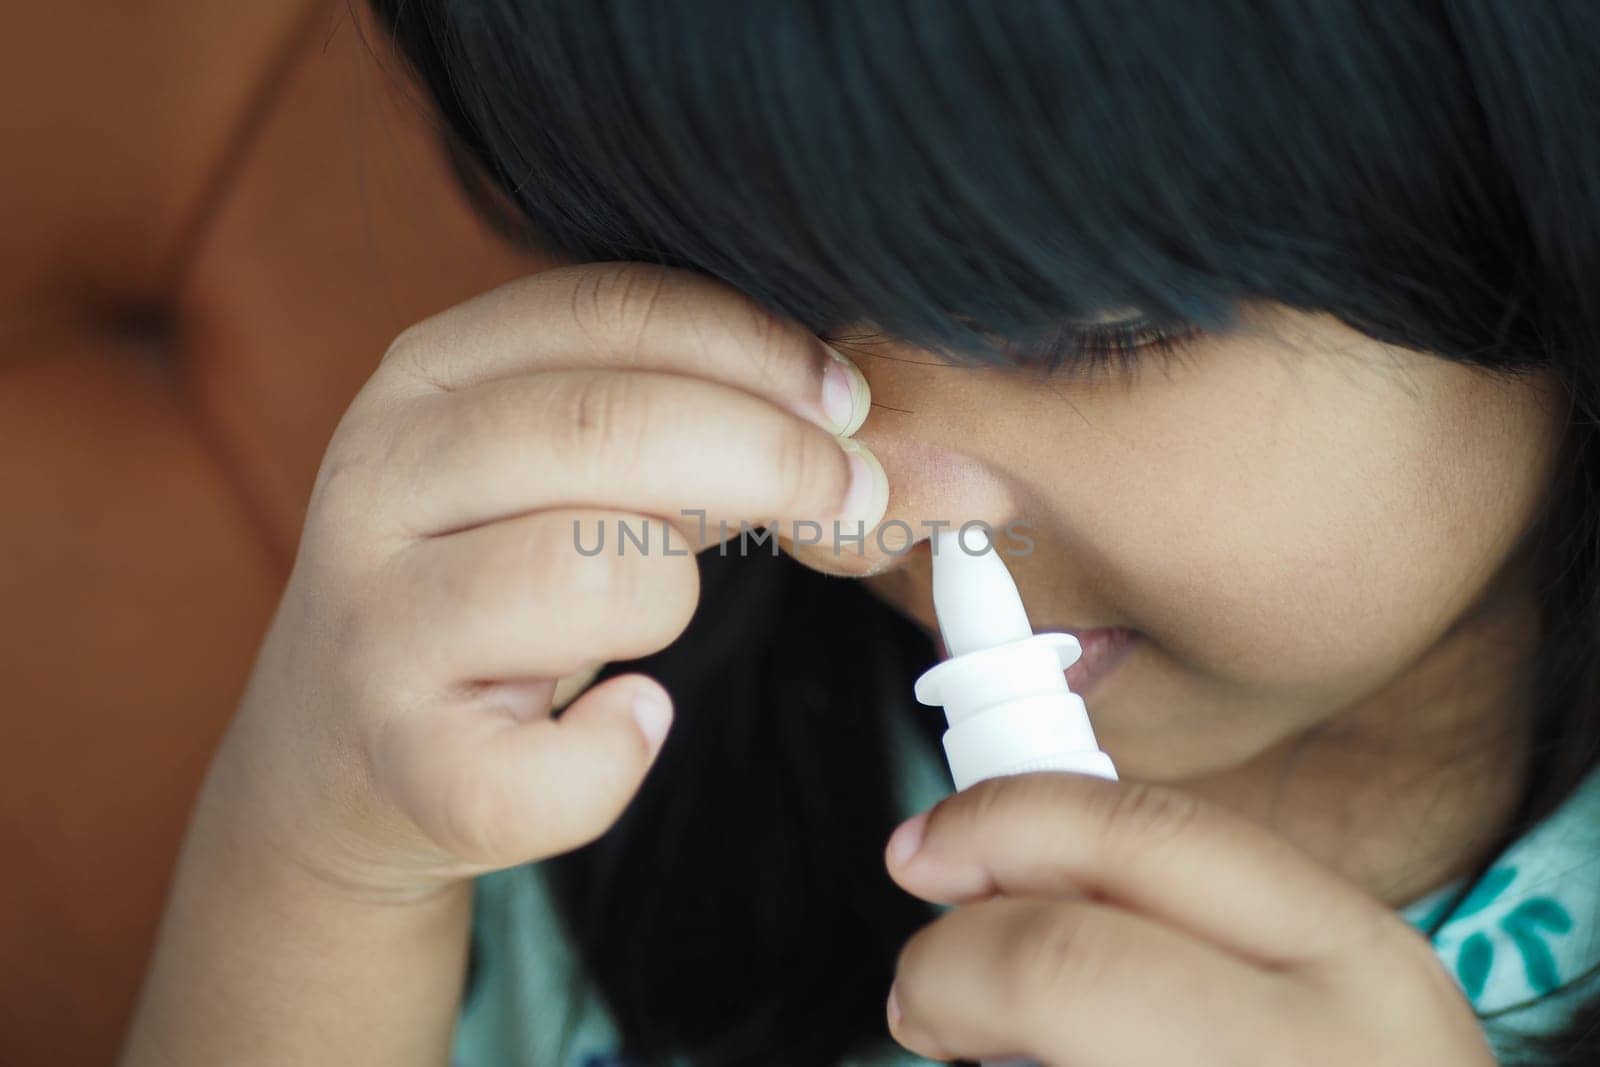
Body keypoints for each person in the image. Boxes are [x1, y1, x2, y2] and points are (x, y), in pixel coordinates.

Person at [119, 2, 1600, 1064]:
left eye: (1096, 337)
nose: (850, 522)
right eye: (740, 296)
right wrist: (319, 863)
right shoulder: (603, 761)